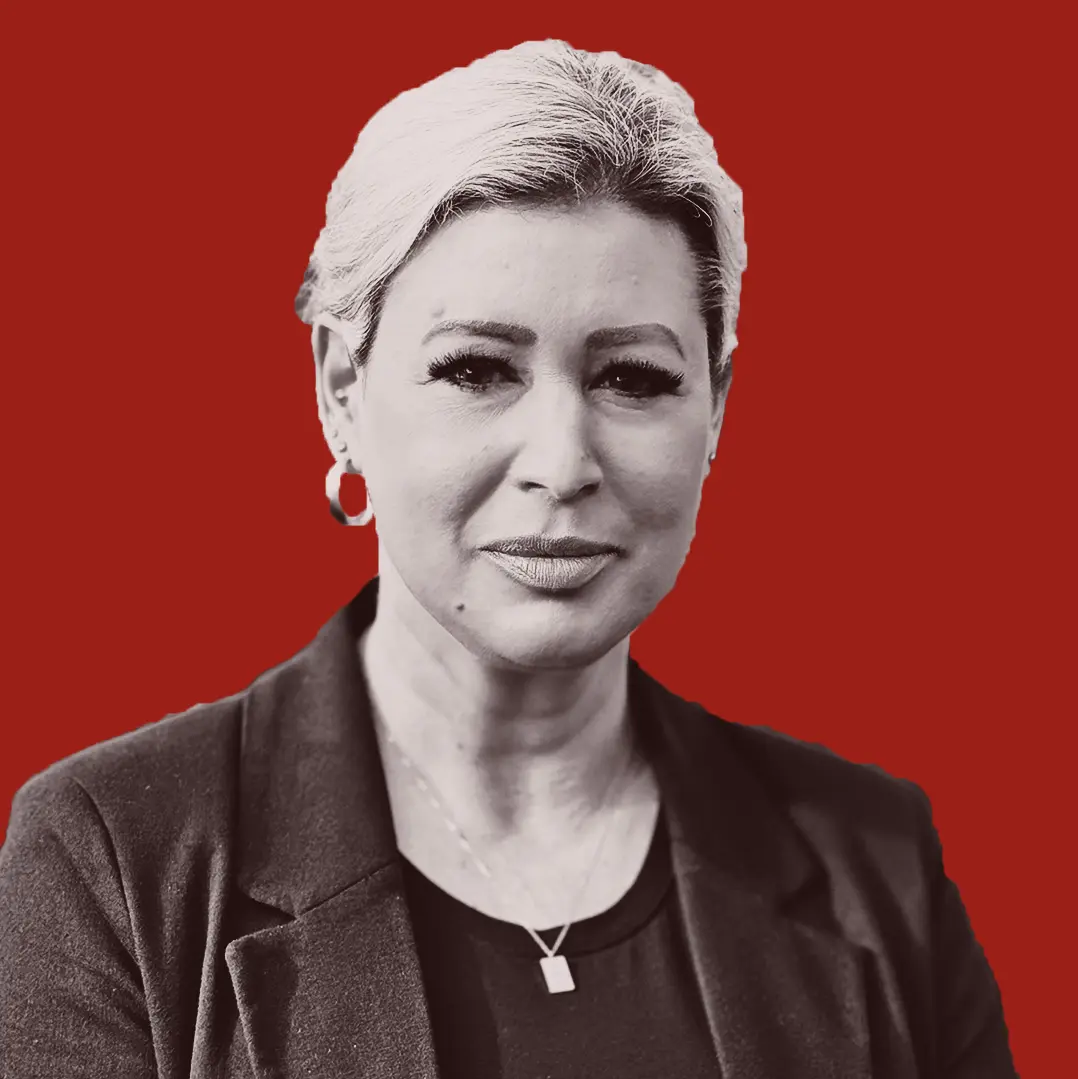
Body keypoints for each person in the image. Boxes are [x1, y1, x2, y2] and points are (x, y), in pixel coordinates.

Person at [0, 40, 1016, 1079]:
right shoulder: (114, 859)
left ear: (715, 406)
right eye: (477, 369)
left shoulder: (877, 862)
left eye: (632, 377)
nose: (562, 463)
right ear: (342, 390)